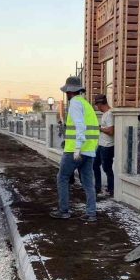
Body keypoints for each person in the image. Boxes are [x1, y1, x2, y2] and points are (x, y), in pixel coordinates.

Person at [50, 76, 99, 222]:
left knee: (62, 178)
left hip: (74, 151)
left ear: (69, 92)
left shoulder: (75, 103)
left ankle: (63, 211)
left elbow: (81, 127)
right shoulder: (86, 104)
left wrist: (77, 148)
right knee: (88, 183)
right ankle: (91, 213)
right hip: (89, 151)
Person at [93, 94, 114, 197]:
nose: (97, 107)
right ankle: (97, 188)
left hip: (107, 146)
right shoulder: (105, 114)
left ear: (100, 104)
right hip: (102, 145)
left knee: (107, 168)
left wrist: (99, 128)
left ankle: (111, 190)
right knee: (95, 164)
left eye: (97, 105)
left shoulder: (109, 114)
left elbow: (111, 131)